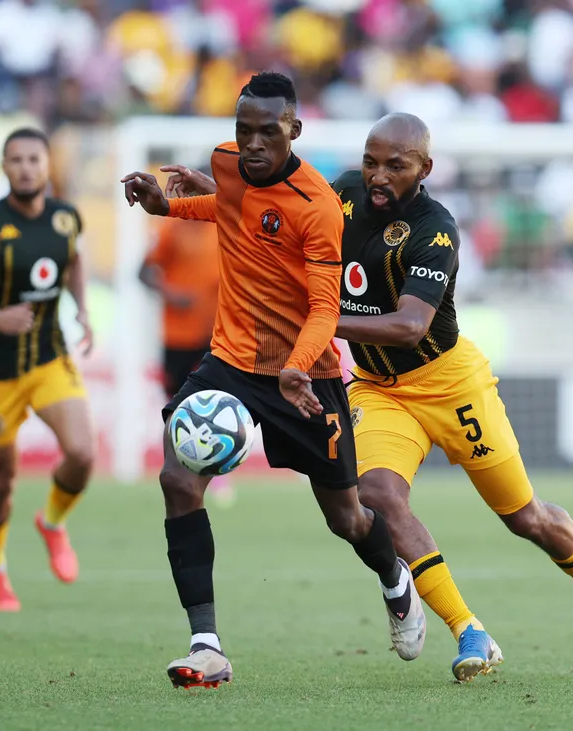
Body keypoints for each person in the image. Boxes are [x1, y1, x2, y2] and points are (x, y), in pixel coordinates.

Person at [120, 72, 425, 690]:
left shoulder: (317, 204)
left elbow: (325, 307)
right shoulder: (225, 163)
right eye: (244, 130)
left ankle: (395, 580)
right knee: (178, 478)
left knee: (347, 518)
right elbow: (232, 209)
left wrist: (296, 365)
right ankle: (206, 646)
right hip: (231, 358)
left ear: (295, 130)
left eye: (268, 131)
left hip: (305, 371)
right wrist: (166, 206)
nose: (254, 143)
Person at [331, 113, 573, 679]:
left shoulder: (436, 229)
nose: (378, 175)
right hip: (379, 388)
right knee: (377, 496)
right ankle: (468, 629)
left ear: (425, 169)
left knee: (525, 518)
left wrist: (321, 320)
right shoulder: (343, 193)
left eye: (395, 165)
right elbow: (280, 214)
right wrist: (214, 199)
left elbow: (410, 326)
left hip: (450, 383)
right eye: (371, 162)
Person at [0, 127, 95, 612]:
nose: (26, 168)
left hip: (48, 358)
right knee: (1, 481)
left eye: (33, 159)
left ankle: (52, 522)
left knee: (82, 453)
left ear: (46, 164)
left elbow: (73, 261)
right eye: (16, 160)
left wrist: (83, 310)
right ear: (4, 167)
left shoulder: (66, 218)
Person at [139, 193, 235, 507]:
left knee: (217, 400)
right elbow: (143, 272)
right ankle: (176, 468)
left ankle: (217, 471)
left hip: (216, 331)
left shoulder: (224, 225)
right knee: (176, 405)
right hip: (178, 334)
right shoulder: (172, 228)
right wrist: (172, 294)